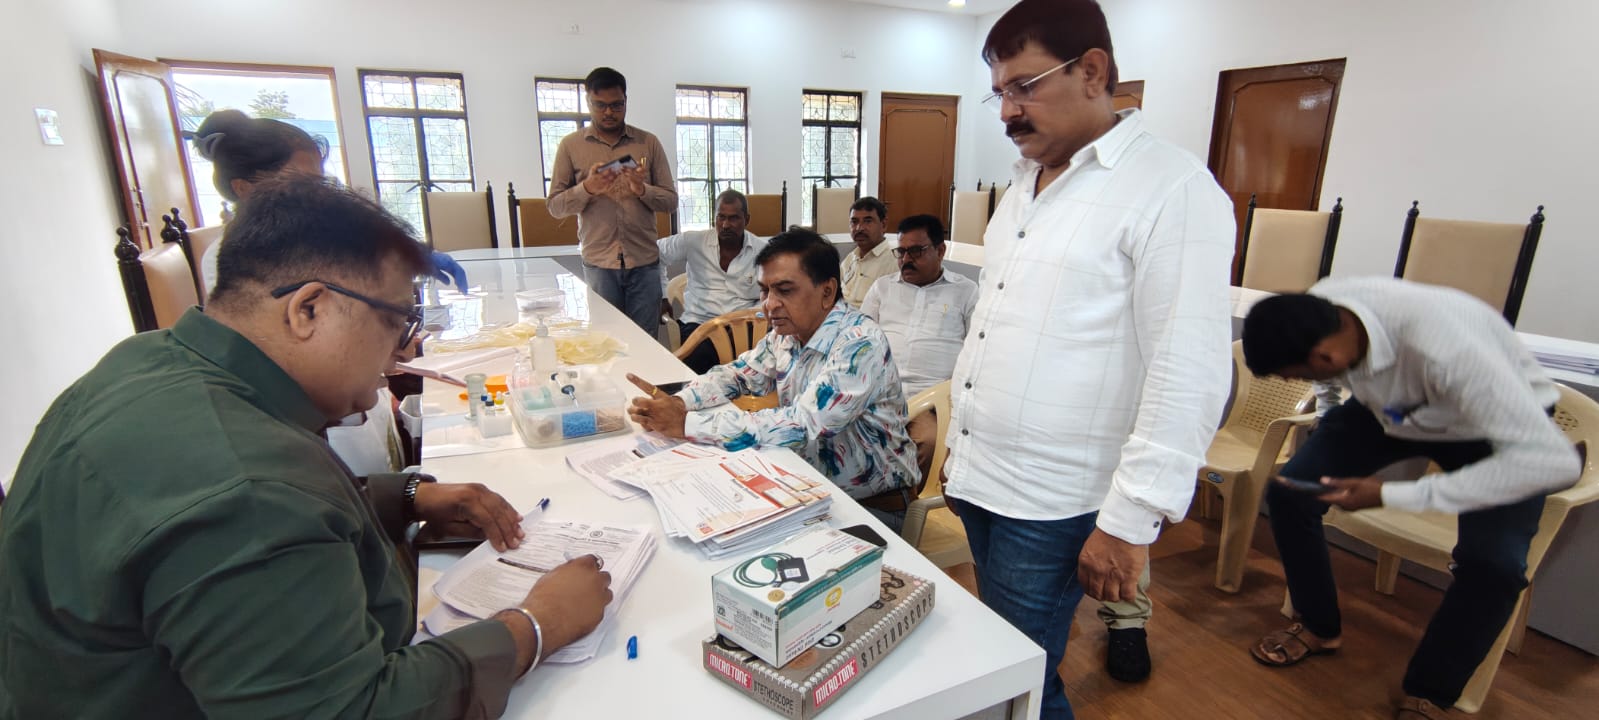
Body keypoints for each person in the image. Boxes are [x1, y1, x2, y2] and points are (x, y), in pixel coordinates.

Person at [0, 177, 614, 718]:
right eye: (396, 322)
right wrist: (537, 624)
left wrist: (404, 497)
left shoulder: (149, 360)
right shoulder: (248, 496)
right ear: (309, 309)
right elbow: (356, 708)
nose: (403, 350)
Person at [942, 1, 1234, 716]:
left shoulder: (1170, 189)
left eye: (1024, 86)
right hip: (980, 476)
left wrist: (1130, 521)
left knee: (1014, 685)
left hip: (1054, 500)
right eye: (998, 92)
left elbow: (1187, 370)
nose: (1007, 111)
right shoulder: (1023, 185)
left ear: (1094, 72)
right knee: (1012, 671)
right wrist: (956, 450)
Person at [1240, 278, 1579, 720]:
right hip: (1391, 407)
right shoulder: (1324, 309)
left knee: (1494, 565)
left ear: (1325, 357)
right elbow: (1326, 381)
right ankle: (1319, 626)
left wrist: (1394, 494)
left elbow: (1558, 465)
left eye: (1299, 376)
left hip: (1490, 426)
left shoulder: (1454, 356)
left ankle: (1431, 691)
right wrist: (1328, 415)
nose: (1298, 382)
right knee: (1291, 492)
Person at [188, 109, 465, 477]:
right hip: (330, 437)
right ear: (244, 188)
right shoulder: (237, 260)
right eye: (302, 183)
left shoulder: (313, 242)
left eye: (320, 183)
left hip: (359, 410)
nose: (318, 196)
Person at [626, 229, 919, 531]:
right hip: (809, 488)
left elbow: (802, 425)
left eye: (785, 290)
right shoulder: (787, 334)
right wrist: (679, 402)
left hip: (871, 507)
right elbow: (737, 374)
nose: (770, 304)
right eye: (765, 291)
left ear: (827, 292)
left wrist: (687, 424)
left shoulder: (860, 344)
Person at [549, 67, 678, 333]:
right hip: (599, 264)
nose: (609, 112)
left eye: (616, 105)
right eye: (600, 105)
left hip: (644, 263)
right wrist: (587, 188)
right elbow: (555, 207)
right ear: (588, 102)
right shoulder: (571, 146)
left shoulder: (648, 143)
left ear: (626, 101)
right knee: (606, 342)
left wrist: (642, 189)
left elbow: (670, 202)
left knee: (646, 341)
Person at [858, 214, 977, 484]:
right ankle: (870, 499)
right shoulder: (883, 288)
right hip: (880, 396)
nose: (906, 259)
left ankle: (907, 503)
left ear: (940, 250)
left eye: (916, 251)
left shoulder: (966, 292)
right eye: (901, 252)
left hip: (930, 402)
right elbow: (859, 342)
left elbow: (976, 355)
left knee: (928, 441)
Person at [658, 188, 768, 373]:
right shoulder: (693, 241)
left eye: (733, 218)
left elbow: (770, 292)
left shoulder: (763, 251)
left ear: (746, 219)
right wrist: (661, 296)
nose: (726, 225)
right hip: (699, 323)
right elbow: (654, 254)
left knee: (768, 356)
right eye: (721, 217)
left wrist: (747, 317)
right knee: (699, 358)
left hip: (744, 325)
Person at [840, 196, 898, 307]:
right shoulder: (851, 258)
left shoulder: (894, 262)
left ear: (883, 225)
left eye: (868, 221)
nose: (859, 228)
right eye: (854, 222)